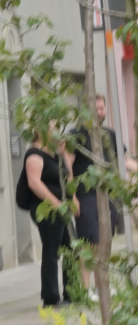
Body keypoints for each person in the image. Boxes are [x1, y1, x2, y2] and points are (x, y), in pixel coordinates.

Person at [16, 129, 74, 308]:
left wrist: (64, 156)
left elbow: (69, 180)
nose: (57, 133)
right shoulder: (34, 154)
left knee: (71, 249)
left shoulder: (54, 156)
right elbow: (34, 183)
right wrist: (57, 204)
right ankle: (50, 297)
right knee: (52, 250)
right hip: (46, 209)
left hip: (61, 210)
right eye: (53, 128)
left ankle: (72, 293)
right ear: (40, 131)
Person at [70, 95, 133, 246]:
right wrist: (72, 198)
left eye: (101, 108)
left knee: (105, 242)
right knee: (90, 242)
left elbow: (125, 161)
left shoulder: (110, 135)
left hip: (109, 195)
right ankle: (84, 271)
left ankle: (102, 271)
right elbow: (67, 168)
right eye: (95, 109)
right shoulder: (75, 135)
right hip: (85, 196)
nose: (99, 112)